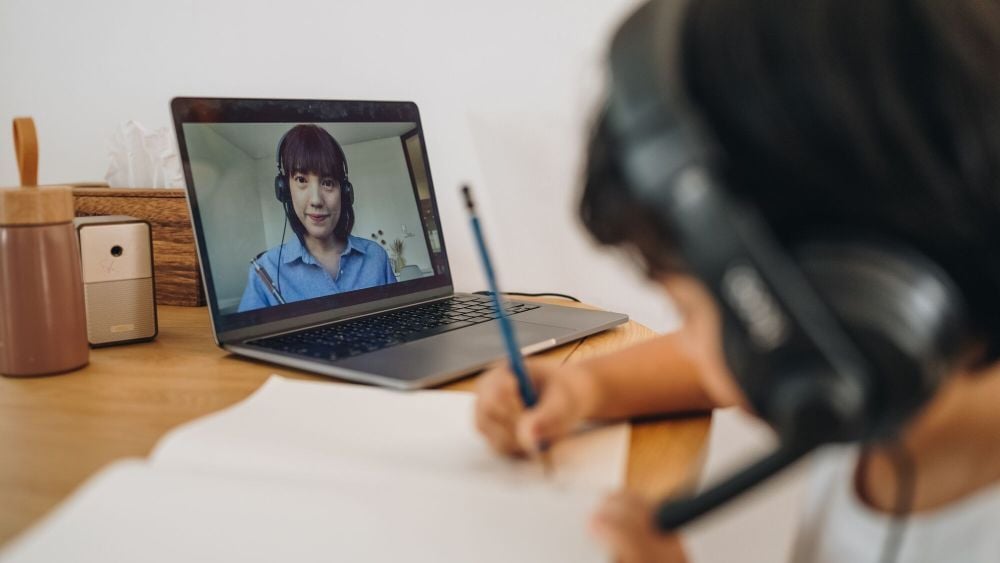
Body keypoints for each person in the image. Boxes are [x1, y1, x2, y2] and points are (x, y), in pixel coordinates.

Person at [474, 1, 1000, 561]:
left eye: (691, 313)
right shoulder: (884, 374)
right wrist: (587, 390)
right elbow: (734, 351)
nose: (696, 348)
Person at [238, 124, 395, 312]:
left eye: (328, 183)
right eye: (301, 180)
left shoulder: (376, 258)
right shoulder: (265, 271)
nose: (316, 200)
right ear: (285, 189)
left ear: (344, 192)